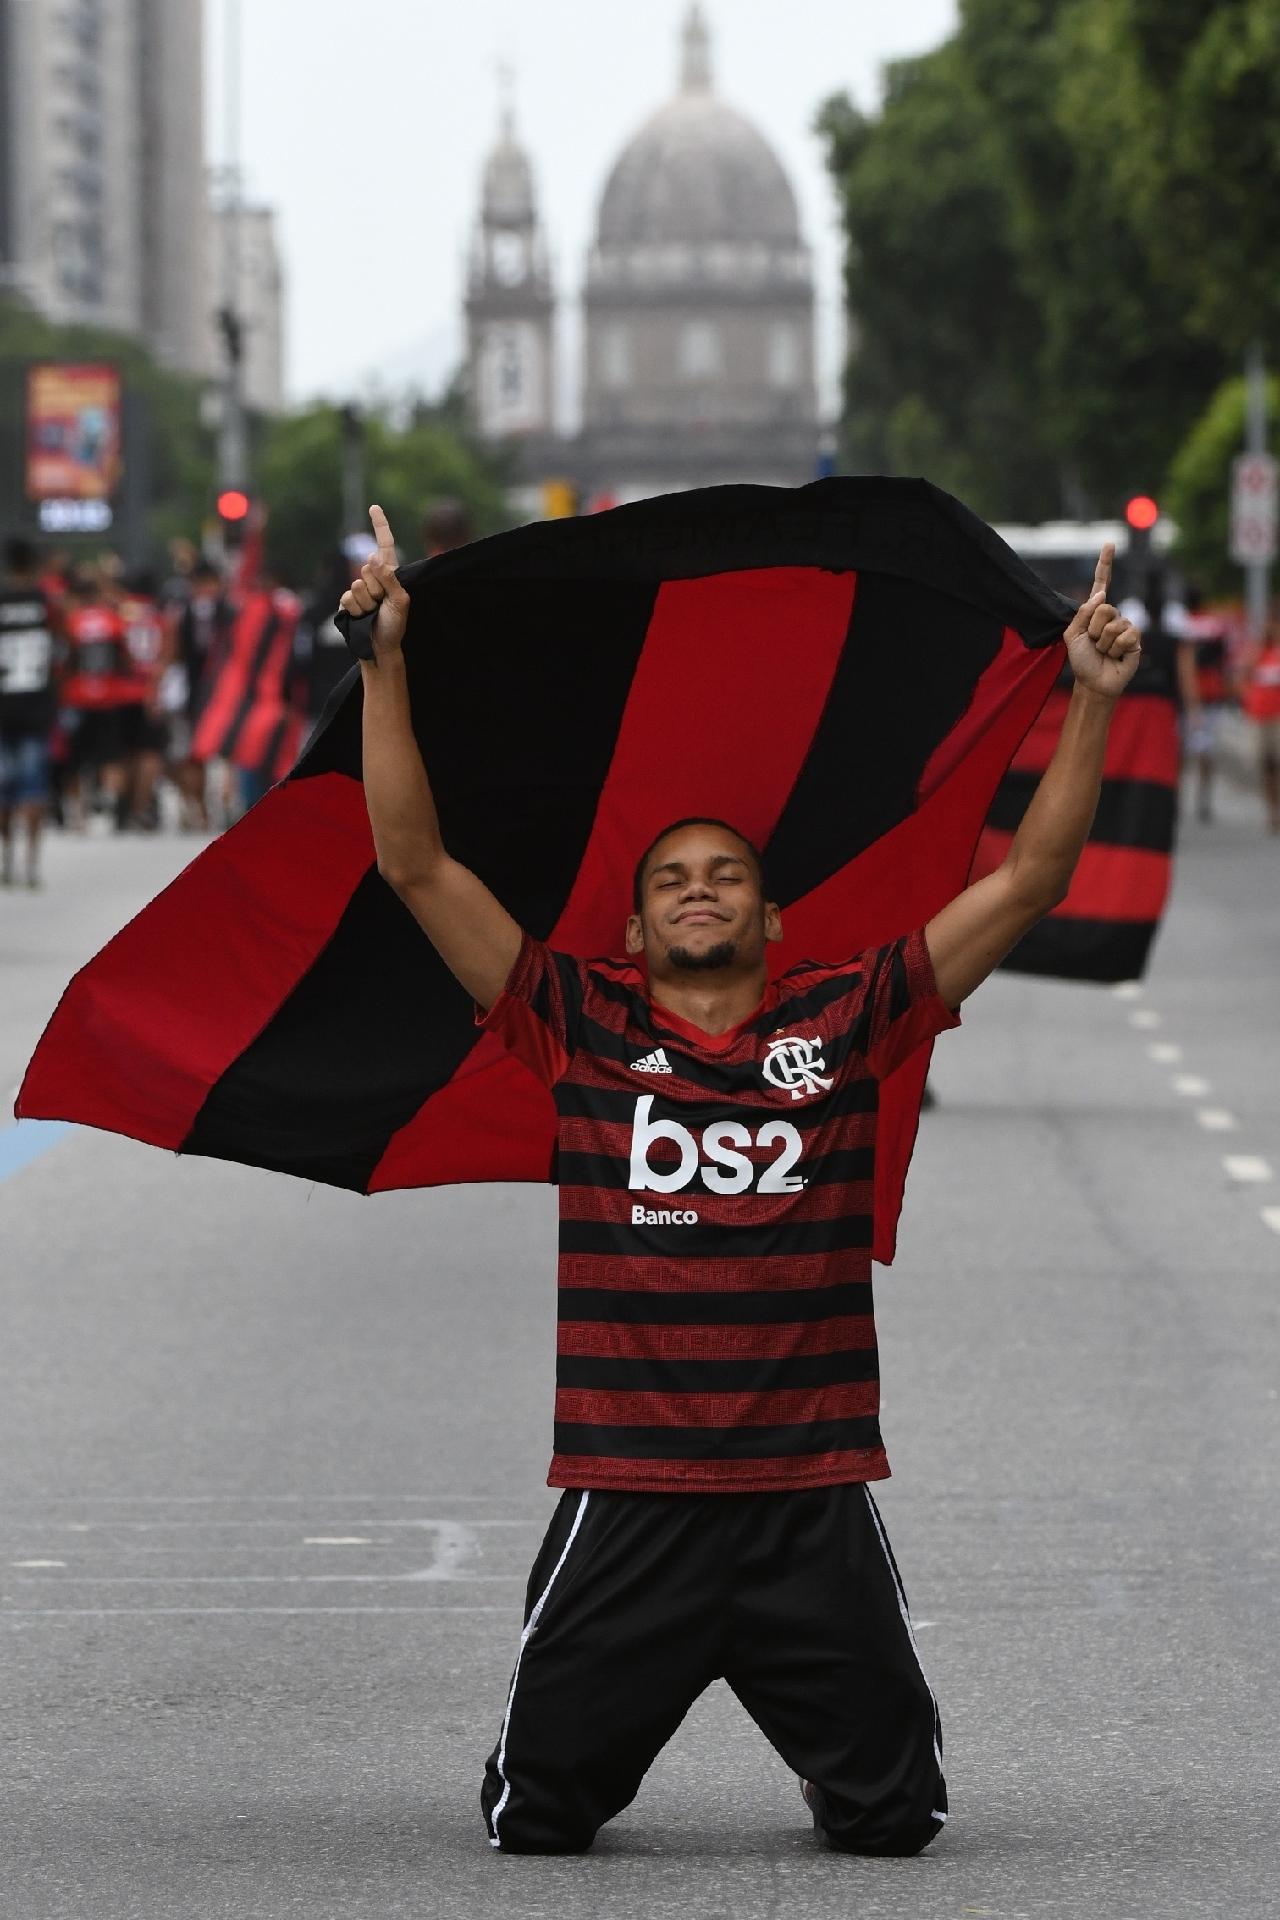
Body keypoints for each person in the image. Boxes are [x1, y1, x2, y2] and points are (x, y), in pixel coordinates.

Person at [343, 505, 1141, 1858]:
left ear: (773, 918)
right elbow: (415, 866)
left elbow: (1031, 883)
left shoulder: (850, 1017)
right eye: (671, 882)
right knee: (533, 1825)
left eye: (726, 877)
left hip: (807, 1492)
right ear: (635, 924)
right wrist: (384, 663)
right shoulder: (576, 1018)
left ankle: (832, 1724)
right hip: (633, 1492)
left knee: (896, 1824)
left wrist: (1089, 699)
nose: (698, 892)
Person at [0, 537, 60, 888]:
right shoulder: (47, 605)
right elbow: (64, 653)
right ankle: (31, 863)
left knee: (4, 789)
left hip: (2, 708)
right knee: (34, 787)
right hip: (36, 707)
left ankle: (7, 858)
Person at [1173, 585, 1232, 823]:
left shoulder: (1179, 624)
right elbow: (1223, 661)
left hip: (1185, 695)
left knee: (1180, 752)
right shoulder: (1215, 624)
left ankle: (1176, 800)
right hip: (1212, 693)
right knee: (1206, 750)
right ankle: (1204, 799)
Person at [1240, 612, 1280, 835]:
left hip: (1278, 717)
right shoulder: (1257, 651)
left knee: (1277, 764)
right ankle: (1272, 810)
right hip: (1260, 715)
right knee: (1266, 765)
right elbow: (1243, 675)